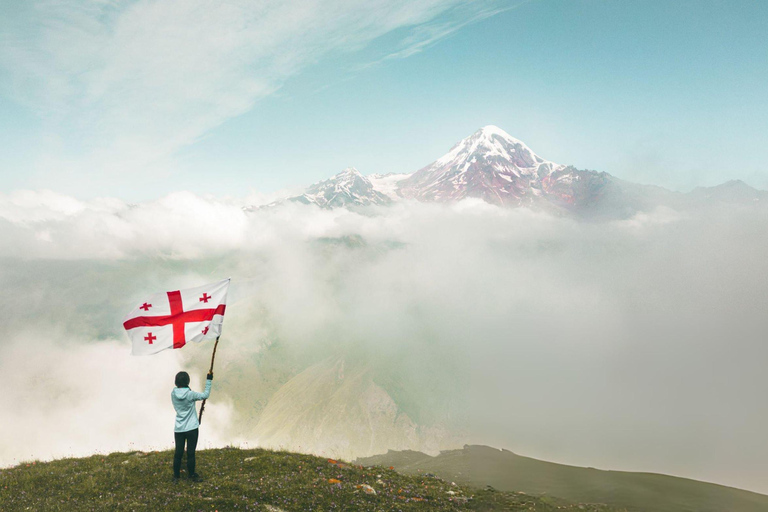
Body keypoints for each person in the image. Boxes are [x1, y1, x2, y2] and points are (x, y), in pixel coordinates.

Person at [171, 370, 213, 481]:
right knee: (191, 453)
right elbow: (205, 395)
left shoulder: (173, 393)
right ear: (187, 381)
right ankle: (191, 475)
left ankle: (176, 476)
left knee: (178, 453)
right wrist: (209, 379)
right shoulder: (191, 394)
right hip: (192, 428)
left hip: (179, 428)